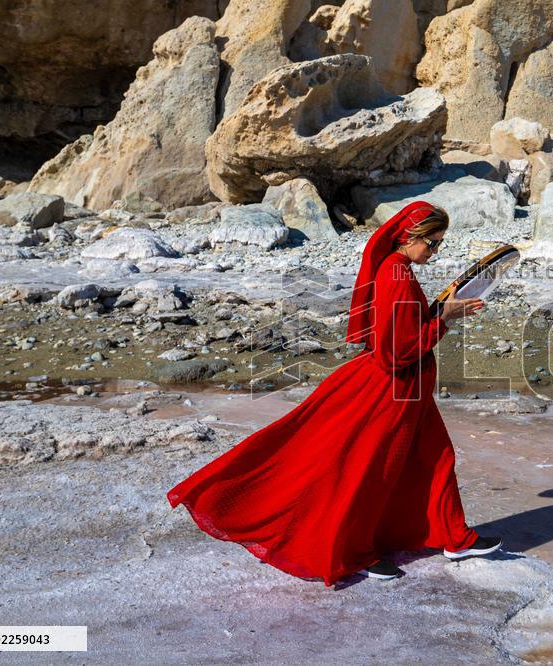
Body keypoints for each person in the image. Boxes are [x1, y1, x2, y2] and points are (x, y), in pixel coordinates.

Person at [166, 200, 503, 586]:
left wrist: (440, 310)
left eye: (440, 244)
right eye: (432, 243)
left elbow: (403, 330)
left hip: (408, 391)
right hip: (391, 390)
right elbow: (396, 352)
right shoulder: (397, 274)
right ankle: (353, 551)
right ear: (409, 236)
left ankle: (455, 538)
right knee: (366, 469)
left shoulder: (400, 269)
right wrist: (443, 320)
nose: (435, 251)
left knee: (434, 458)